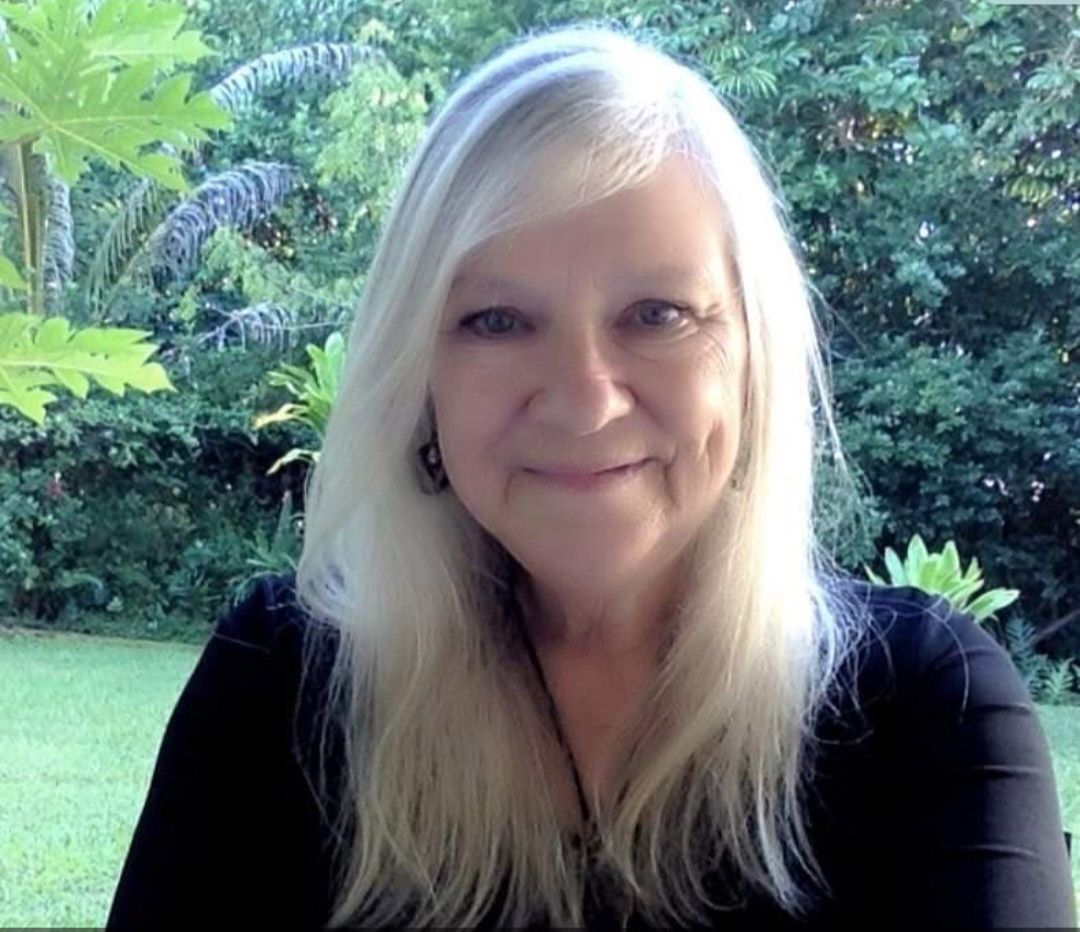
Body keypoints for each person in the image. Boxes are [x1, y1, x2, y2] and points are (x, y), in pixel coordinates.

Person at [106, 24, 1076, 930]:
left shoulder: (931, 708)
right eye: (497, 321)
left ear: (754, 359)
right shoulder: (279, 685)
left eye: (658, 315)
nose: (583, 402)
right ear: (418, 374)